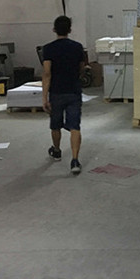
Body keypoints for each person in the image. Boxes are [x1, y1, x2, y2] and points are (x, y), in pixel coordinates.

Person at [42, 16, 86, 174]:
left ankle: (56, 150)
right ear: (70, 30)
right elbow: (82, 69)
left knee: (55, 124)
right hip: (73, 91)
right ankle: (75, 160)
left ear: (54, 29)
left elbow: (47, 73)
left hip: (56, 92)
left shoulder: (48, 49)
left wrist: (44, 97)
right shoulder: (78, 47)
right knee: (75, 126)